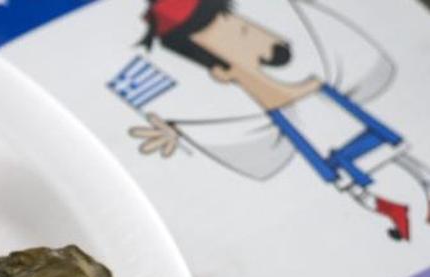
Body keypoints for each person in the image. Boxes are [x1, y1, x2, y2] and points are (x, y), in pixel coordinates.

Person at [130, 0, 430, 240]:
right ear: (220, 72)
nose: (260, 34)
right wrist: (181, 134)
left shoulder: (317, 85)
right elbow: (239, 136)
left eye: (244, 27)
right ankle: (393, 209)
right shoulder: (278, 118)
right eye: (242, 32)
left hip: (337, 115)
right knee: (349, 180)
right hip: (317, 142)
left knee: (392, 152)